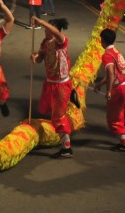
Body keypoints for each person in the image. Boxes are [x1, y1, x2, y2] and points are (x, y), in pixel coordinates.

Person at [30, 16, 74, 158]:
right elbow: (40, 59)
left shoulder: (61, 41)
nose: (45, 30)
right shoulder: (45, 43)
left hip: (61, 84)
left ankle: (66, 148)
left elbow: (55, 32)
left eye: (48, 28)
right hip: (50, 82)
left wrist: (41, 21)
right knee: (45, 108)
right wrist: (35, 58)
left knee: (58, 116)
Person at [95, 29, 125, 152]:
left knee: (114, 117)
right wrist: (100, 84)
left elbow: (111, 73)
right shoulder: (116, 51)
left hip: (121, 89)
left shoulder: (107, 55)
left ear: (102, 41)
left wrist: (108, 90)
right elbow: (114, 73)